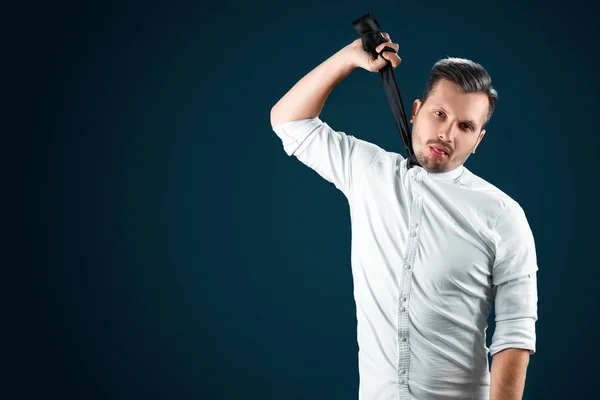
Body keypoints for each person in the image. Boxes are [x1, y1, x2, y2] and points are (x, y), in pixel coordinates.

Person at [270, 32, 538, 400]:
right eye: (439, 114)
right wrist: (347, 59)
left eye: (465, 126)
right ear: (415, 112)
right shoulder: (369, 172)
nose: (446, 133)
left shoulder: (502, 215)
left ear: (478, 141)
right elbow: (288, 122)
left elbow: (515, 332)